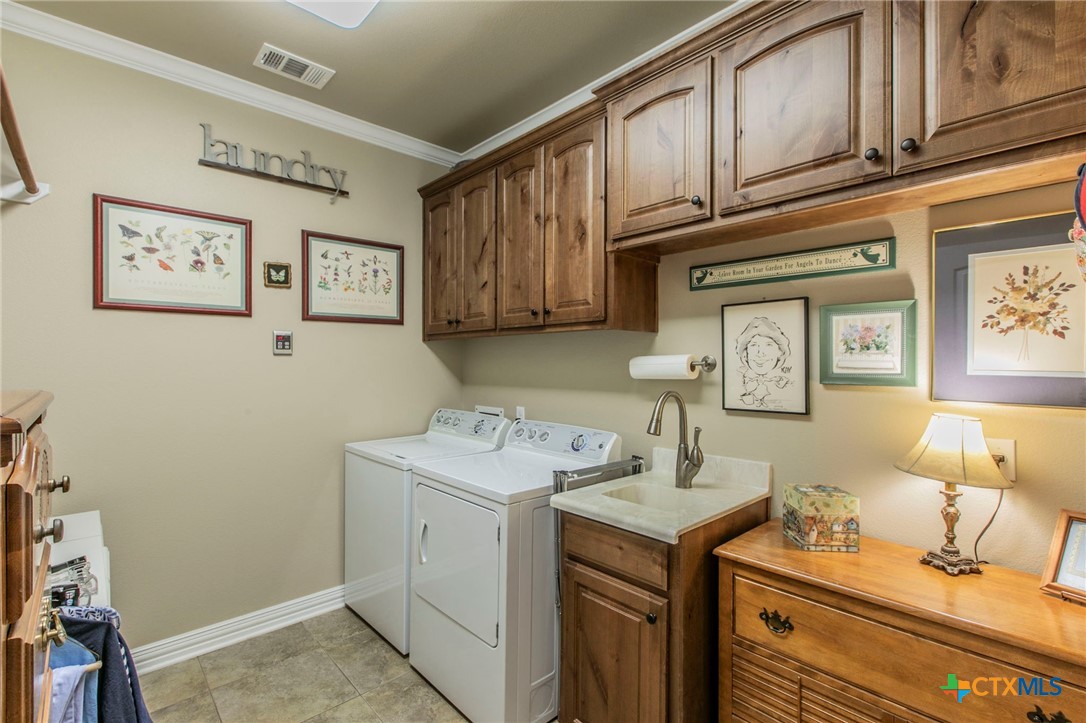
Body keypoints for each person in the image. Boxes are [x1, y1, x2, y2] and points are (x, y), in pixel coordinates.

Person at [735, 317, 792, 408]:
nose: (760, 353)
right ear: (745, 353)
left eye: (768, 345)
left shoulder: (786, 383)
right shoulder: (740, 379)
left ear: (780, 352)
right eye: (753, 345)